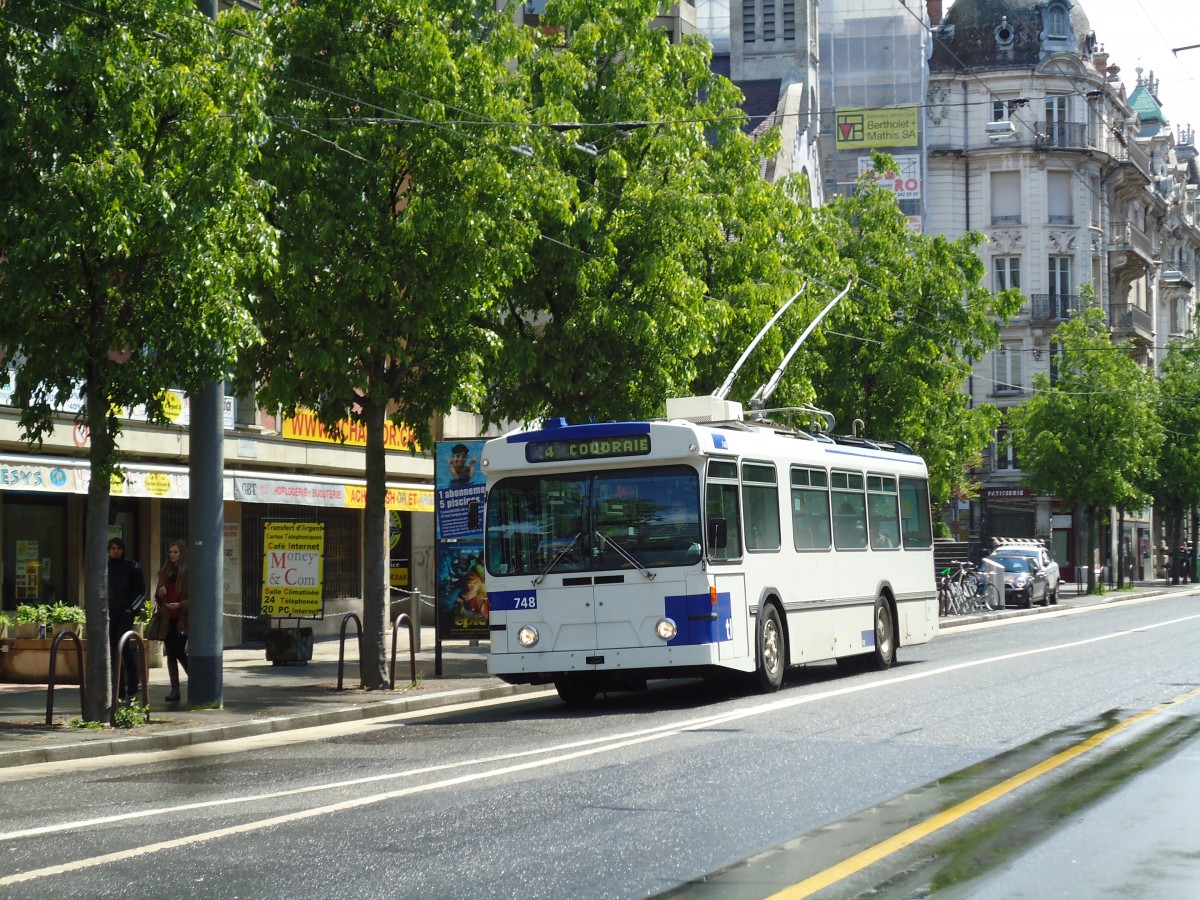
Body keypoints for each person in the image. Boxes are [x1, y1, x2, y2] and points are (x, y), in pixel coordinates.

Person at [107, 537, 145, 700]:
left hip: (126, 612)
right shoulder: (106, 567)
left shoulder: (131, 566)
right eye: (113, 548)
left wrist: (132, 609)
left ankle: (132, 679)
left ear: (123, 550)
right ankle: (118, 686)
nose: (116, 551)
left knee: (122, 644)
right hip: (111, 612)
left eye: (118, 548)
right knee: (113, 647)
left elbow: (142, 591)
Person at [152, 540, 190, 703]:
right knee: (171, 655)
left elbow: (193, 598)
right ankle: (175, 690)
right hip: (167, 618)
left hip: (182, 618)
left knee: (179, 651)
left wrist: (180, 605)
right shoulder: (165, 571)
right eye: (170, 552)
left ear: (182, 553)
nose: (172, 555)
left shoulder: (188, 572)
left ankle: (196, 680)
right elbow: (157, 597)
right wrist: (160, 595)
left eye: (175, 552)